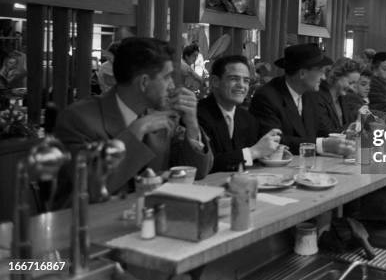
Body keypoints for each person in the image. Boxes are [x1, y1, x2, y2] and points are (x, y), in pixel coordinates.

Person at [54, 37, 213, 206]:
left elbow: (197, 171)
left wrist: (192, 125)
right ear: (144, 82)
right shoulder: (79, 119)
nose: (172, 85)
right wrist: (135, 131)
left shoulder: (162, 116)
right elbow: (87, 189)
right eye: (167, 77)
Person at [249, 43, 354, 157]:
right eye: (320, 71)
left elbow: (322, 131)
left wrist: (348, 138)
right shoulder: (267, 97)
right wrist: (322, 145)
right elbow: (274, 141)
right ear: (303, 73)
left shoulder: (310, 95)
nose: (323, 77)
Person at [197, 55, 282, 172]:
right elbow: (206, 164)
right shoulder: (198, 115)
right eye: (234, 79)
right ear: (215, 82)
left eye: (246, 81)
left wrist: (270, 150)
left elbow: (255, 153)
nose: (241, 85)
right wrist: (254, 152)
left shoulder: (247, 118)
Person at [315, 58, 362, 136]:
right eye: (350, 82)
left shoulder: (343, 98)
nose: (352, 87)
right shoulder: (318, 97)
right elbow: (326, 132)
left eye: (355, 83)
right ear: (337, 76)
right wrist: (349, 129)